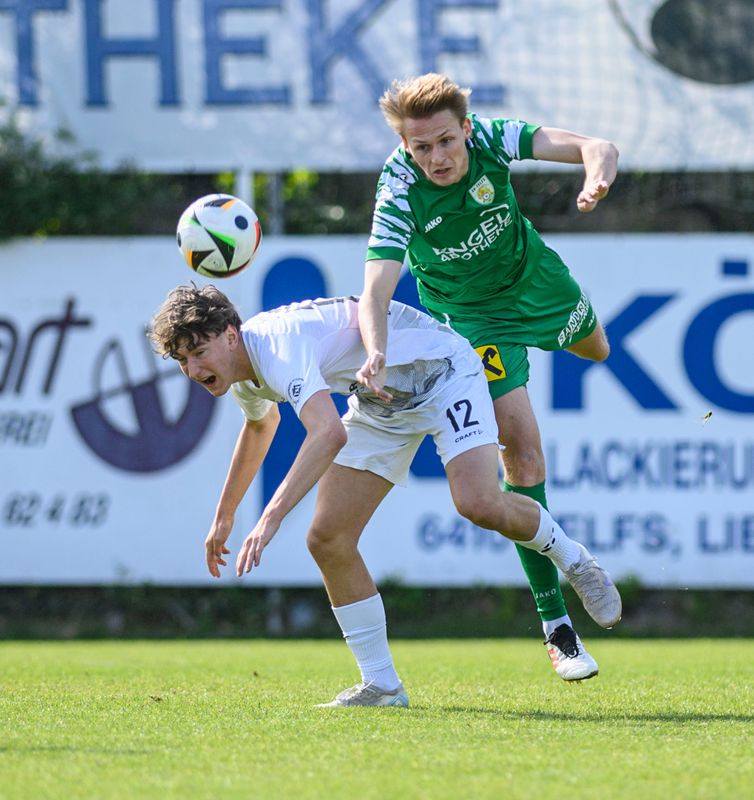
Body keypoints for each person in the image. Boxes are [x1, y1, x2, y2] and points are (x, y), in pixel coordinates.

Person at [148, 284, 621, 707]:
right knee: (328, 537)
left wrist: (270, 517)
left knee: (477, 502)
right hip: (380, 401)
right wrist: (225, 514)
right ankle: (382, 685)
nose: (192, 368)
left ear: (230, 334)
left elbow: (327, 433)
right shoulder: (241, 370)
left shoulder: (273, 346)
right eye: (182, 360)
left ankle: (575, 560)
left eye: (198, 351)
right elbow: (260, 425)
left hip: (443, 373)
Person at [356, 73, 620, 682]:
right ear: (405, 146)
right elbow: (377, 283)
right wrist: (376, 348)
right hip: (472, 322)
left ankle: (545, 336)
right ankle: (557, 624)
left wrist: (596, 177)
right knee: (521, 457)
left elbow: (595, 145)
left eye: (445, 142)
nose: (436, 158)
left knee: (599, 350)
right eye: (421, 148)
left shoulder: (496, 139)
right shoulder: (398, 187)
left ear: (466, 129)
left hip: (535, 282)